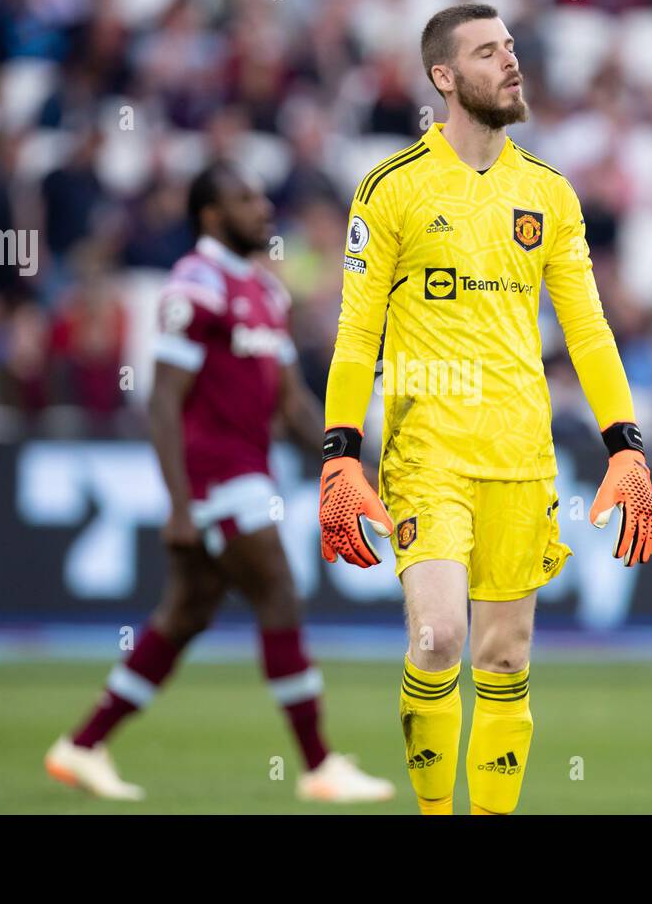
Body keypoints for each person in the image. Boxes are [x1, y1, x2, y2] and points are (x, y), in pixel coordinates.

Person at [317, 4, 652, 815]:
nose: (511, 62)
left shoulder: (549, 192)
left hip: (520, 455)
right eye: (488, 52)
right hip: (426, 451)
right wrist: (338, 453)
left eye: (511, 47)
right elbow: (356, 332)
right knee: (437, 637)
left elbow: (589, 330)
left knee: (504, 661)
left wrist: (626, 446)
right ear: (445, 77)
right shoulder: (391, 188)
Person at [45, 162, 394, 804]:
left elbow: (289, 404)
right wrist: (178, 506)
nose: (262, 208)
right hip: (215, 478)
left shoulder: (266, 291)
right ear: (210, 216)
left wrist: (345, 468)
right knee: (279, 596)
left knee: (183, 616)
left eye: (261, 196)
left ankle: (83, 744)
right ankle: (318, 764)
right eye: (243, 199)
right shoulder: (195, 286)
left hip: (248, 472)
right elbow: (163, 401)